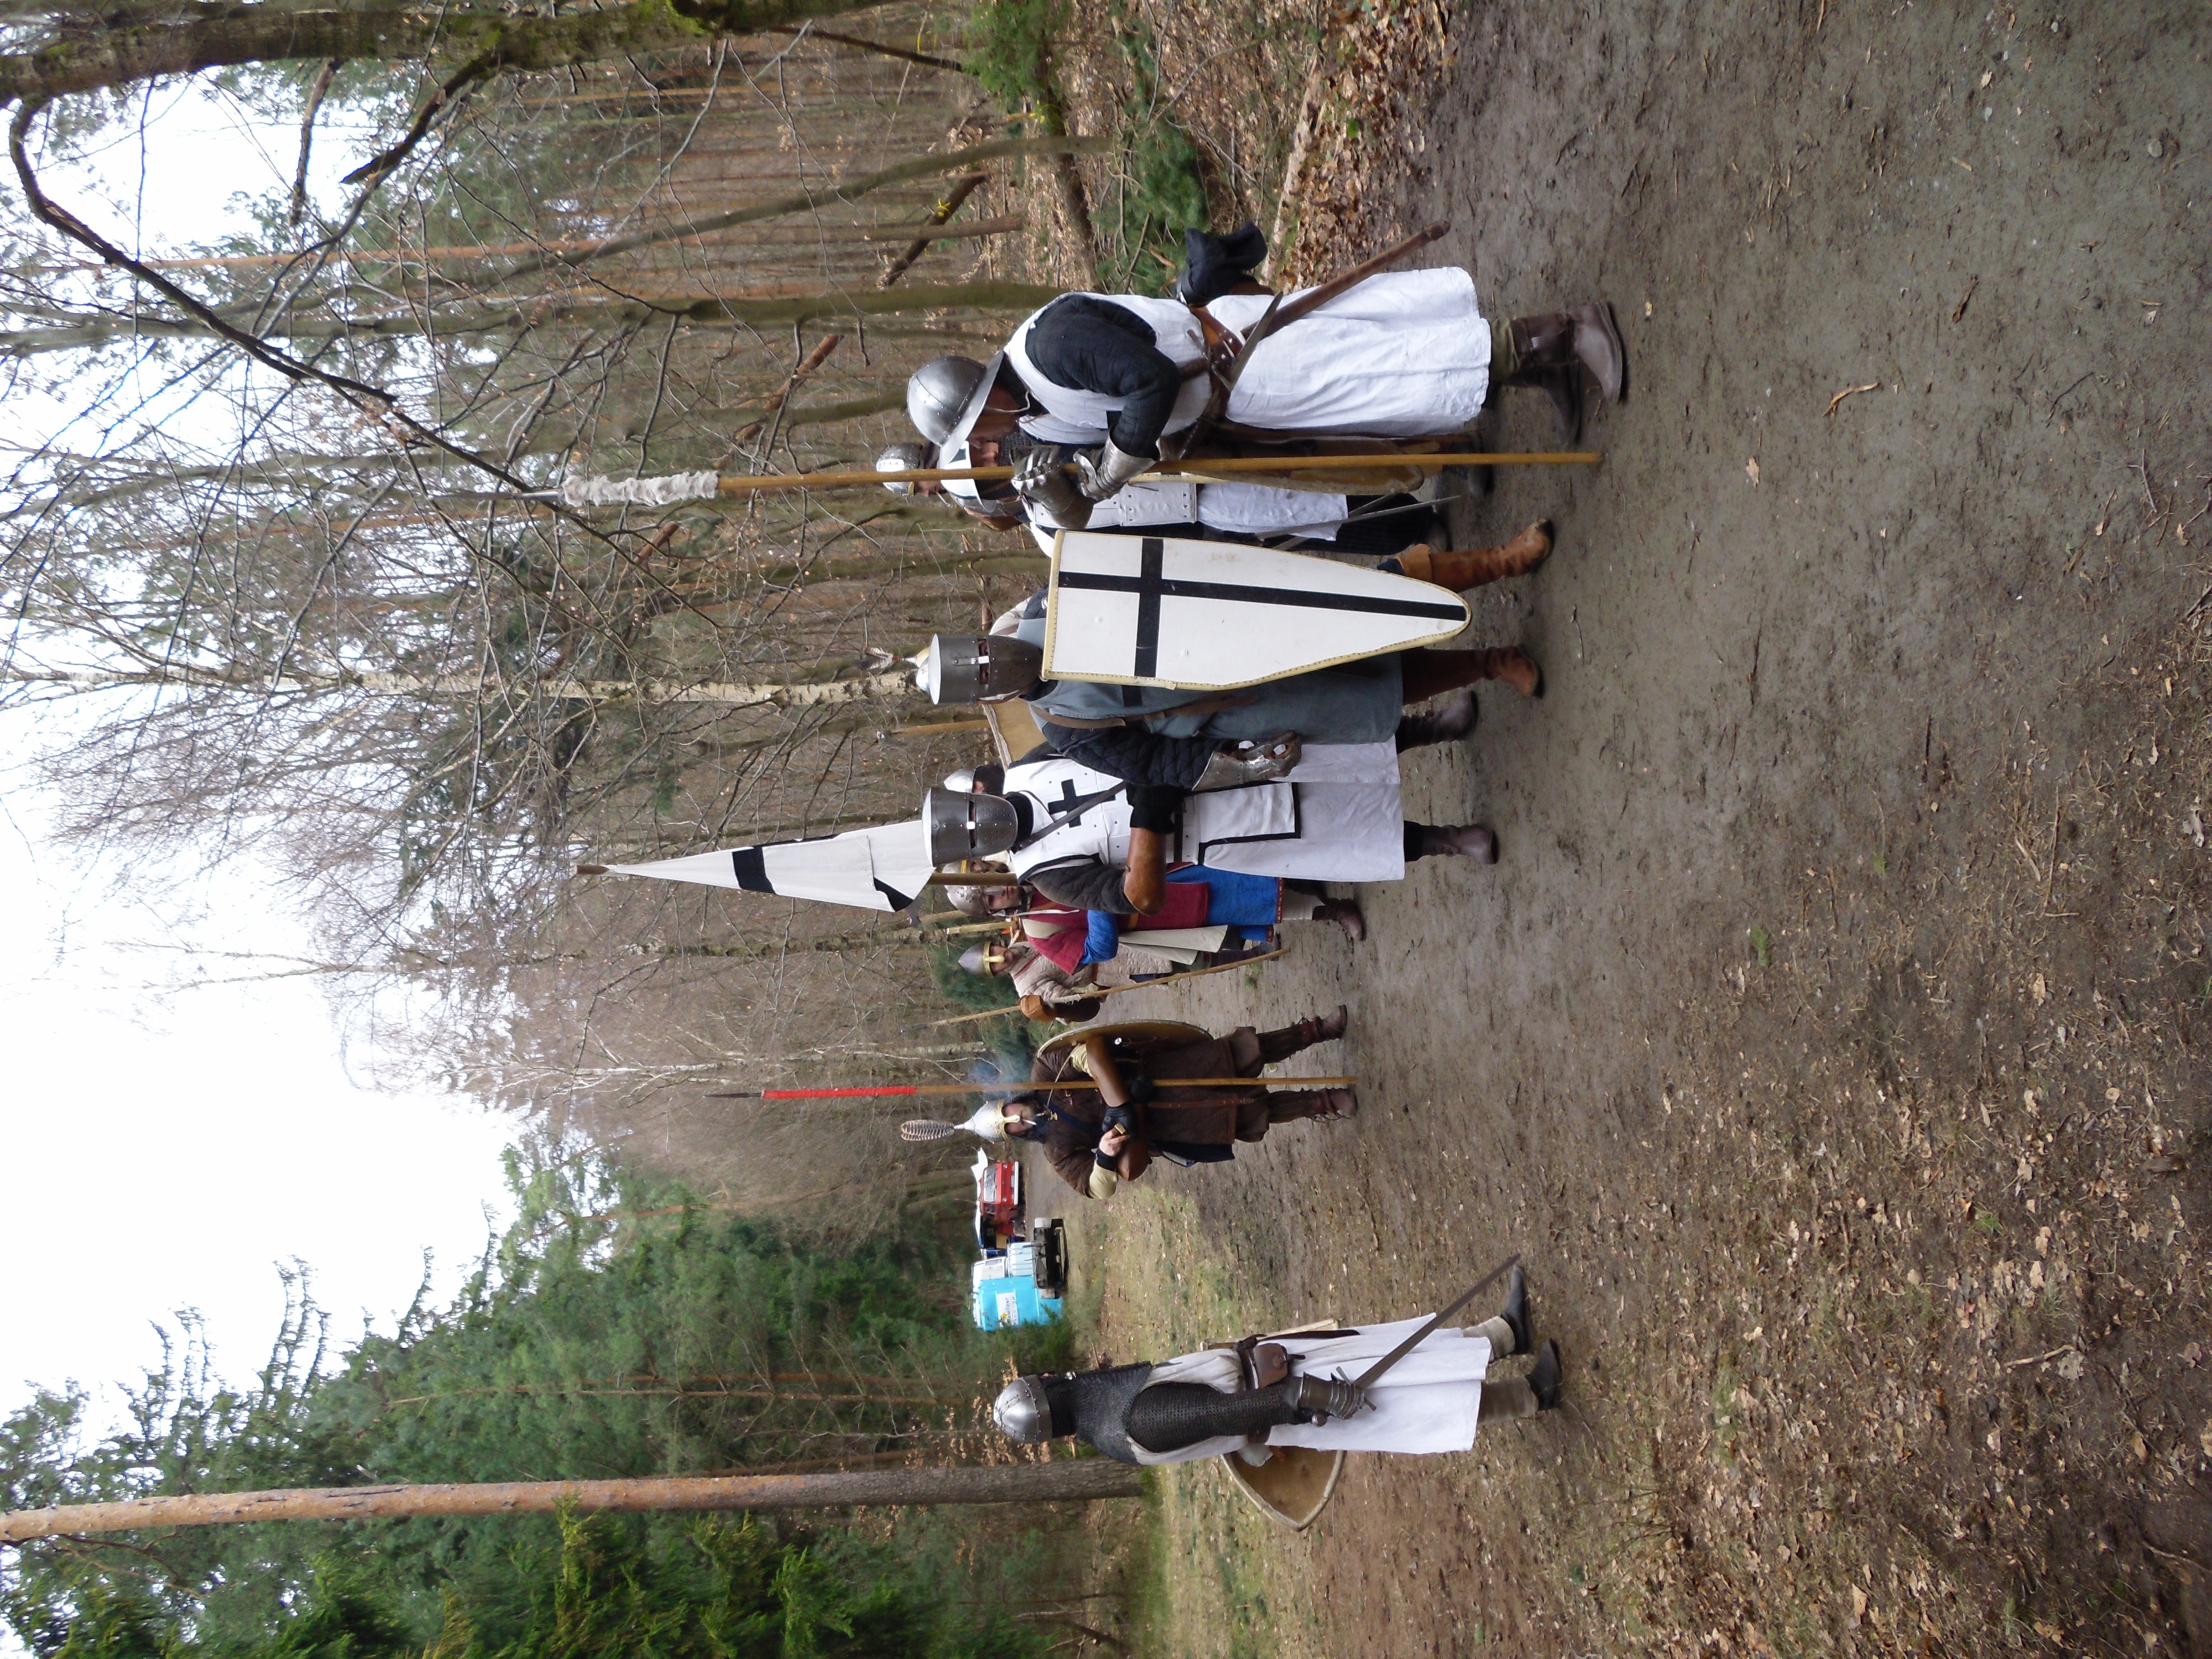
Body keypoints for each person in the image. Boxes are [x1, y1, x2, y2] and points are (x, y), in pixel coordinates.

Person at [901, 250, 1622, 530]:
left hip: (1240, 359)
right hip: (1234, 407)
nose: (986, 444)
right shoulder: (1033, 411)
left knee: (1392, 368)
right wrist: (1072, 489)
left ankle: (1568, 332)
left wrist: (1113, 469)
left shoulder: (1050, 348)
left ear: (982, 399)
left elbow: (1149, 383)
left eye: (975, 432)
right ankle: (1542, 369)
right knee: (1393, 397)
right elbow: (1096, 452)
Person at [988, 1267, 1563, 1465]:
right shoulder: (1128, 1422)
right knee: (1419, 1400)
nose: (1053, 1375)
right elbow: (1226, 1415)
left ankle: (1504, 1335)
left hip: (1284, 1369)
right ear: (1050, 1395)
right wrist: (1310, 1397)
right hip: (1295, 1398)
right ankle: (1532, 1396)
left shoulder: (1106, 1409)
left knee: (1410, 1355)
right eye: (1044, 1382)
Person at [922, 1015, 1358, 1201]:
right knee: (1249, 1113)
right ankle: (1322, 1101)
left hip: (1160, 1073)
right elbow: (1096, 1189)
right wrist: (1105, 1153)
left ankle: (1314, 1031)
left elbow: (1090, 1052)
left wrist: (1119, 1103)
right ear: (1016, 1137)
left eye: (1009, 1112)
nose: (1017, 1119)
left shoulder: (1044, 1073)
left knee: (1243, 1053)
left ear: (1009, 1100)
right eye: (1011, 1127)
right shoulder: (1057, 1153)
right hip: (1167, 1124)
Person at [944, 874, 1363, 1022]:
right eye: (996, 965)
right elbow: (1093, 960)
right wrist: (1054, 1009)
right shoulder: (1038, 936)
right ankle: (1329, 911)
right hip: (1144, 932)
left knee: (1241, 871)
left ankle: (1319, 876)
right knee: (1224, 923)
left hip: (1150, 864)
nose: (1002, 957)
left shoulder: (1038, 872)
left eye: (994, 951)